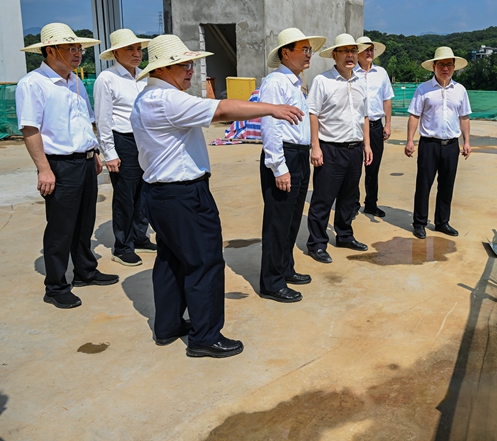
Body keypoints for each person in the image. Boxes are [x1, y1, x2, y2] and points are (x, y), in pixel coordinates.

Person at [130, 34, 304, 358]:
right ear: (163, 68)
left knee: (171, 260)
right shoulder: (169, 100)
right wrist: (273, 109)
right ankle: (205, 336)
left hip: (158, 194)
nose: (190, 71)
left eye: (191, 64)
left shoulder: (145, 99)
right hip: (184, 195)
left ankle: (168, 326)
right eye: (183, 65)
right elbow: (222, 110)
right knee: (205, 263)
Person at [16, 23, 120, 309]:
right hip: (59, 165)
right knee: (61, 227)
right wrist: (43, 169)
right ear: (51, 51)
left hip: (85, 161)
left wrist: (94, 151)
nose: (78, 53)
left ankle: (85, 270)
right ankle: (56, 285)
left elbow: (85, 120)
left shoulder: (74, 81)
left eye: (79, 48)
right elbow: (30, 129)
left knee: (84, 222)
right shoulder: (34, 83)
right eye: (71, 48)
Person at [258, 28, 326, 303]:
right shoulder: (276, 82)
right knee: (277, 221)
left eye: (310, 50)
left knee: (292, 219)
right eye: (304, 49)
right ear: (286, 52)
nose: (309, 55)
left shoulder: (296, 82)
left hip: (298, 154)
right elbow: (270, 125)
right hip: (283, 155)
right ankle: (271, 281)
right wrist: (278, 165)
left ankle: (285, 268)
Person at [305, 34, 372, 264]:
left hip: (355, 150)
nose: (350, 55)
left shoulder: (361, 82)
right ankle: (317, 243)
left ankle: (344, 235)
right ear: (335, 55)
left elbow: (364, 116)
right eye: (344, 51)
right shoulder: (323, 81)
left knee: (349, 197)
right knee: (323, 199)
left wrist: (367, 145)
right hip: (330, 148)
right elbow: (312, 114)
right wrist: (315, 147)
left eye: (353, 50)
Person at [94, 29, 156, 267]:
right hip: (123, 141)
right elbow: (103, 119)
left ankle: (140, 236)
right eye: (130, 49)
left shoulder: (143, 76)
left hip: (145, 140)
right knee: (124, 195)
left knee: (144, 191)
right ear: (116, 52)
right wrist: (109, 152)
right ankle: (122, 245)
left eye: (139, 49)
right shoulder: (107, 78)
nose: (136, 53)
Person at [405, 47, 472, 239]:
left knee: (446, 185)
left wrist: (466, 141)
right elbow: (414, 116)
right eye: (441, 64)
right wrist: (410, 140)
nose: (445, 68)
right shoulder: (423, 89)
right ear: (434, 66)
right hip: (429, 144)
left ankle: (442, 222)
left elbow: (464, 117)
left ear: (454, 67)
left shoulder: (460, 90)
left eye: (449, 65)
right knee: (424, 184)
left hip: (451, 145)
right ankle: (419, 223)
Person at [354, 36, 394, 217]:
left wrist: (388, 124)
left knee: (373, 166)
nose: (369, 53)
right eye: (365, 49)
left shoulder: (381, 73)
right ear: (358, 53)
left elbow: (386, 99)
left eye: (371, 49)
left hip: (376, 126)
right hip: (355, 126)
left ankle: (371, 203)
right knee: (353, 167)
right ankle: (352, 203)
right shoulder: (351, 73)